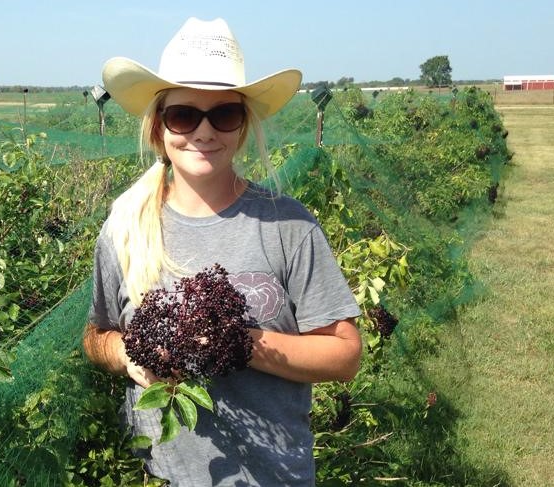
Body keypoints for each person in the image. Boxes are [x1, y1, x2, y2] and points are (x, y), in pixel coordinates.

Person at [83, 17, 362, 487]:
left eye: (224, 114)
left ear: (242, 125)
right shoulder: (125, 227)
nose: (204, 131)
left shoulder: (287, 225)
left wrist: (240, 343)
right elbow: (97, 335)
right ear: (159, 128)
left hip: (274, 475)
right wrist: (127, 355)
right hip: (163, 474)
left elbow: (345, 354)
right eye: (184, 114)